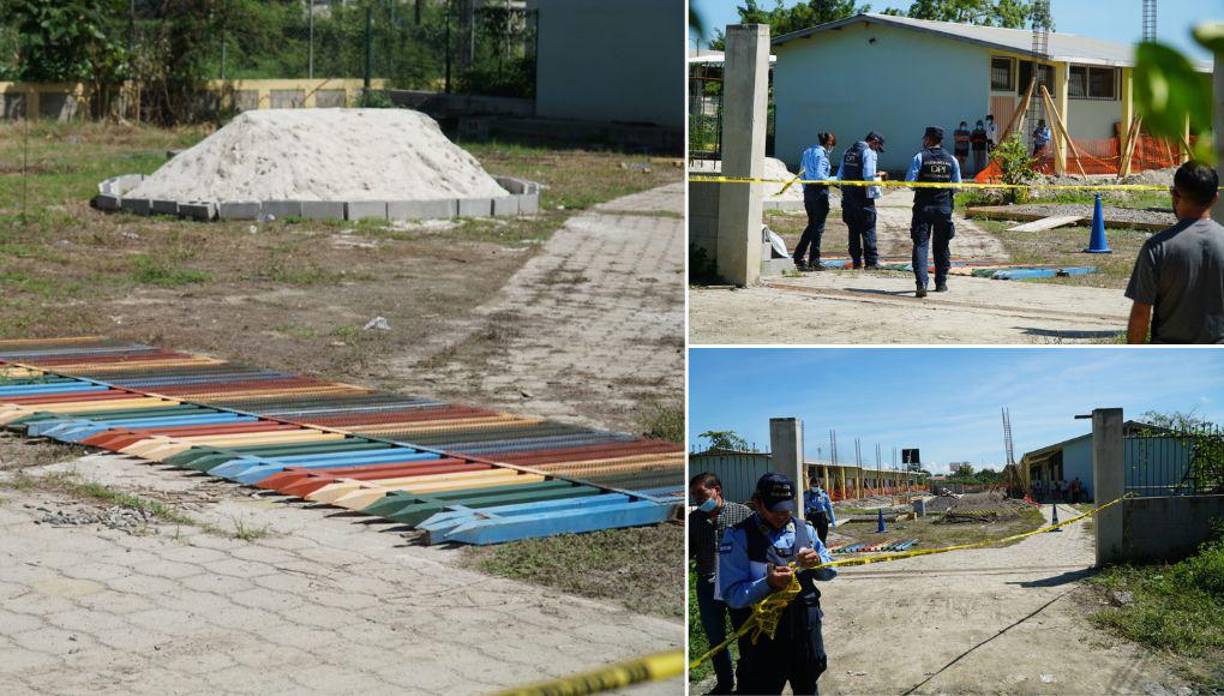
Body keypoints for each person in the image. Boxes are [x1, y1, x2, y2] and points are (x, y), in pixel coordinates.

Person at [720, 473, 836, 695]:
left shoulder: (806, 531)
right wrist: (768, 584)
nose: (783, 515)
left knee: (808, 687)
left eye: (786, 509)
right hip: (763, 641)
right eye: (775, 510)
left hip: (805, 634)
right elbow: (732, 595)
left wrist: (818, 562)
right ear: (757, 503)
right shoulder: (738, 536)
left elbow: (832, 571)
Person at [1125, 161, 1224, 344]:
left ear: (1175, 196)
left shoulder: (1157, 247)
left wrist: (1133, 354)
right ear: (1215, 198)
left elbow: (1141, 313)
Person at [689, 472, 752, 695]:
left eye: (701, 493)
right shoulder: (695, 520)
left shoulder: (743, 514)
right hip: (707, 585)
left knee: (744, 634)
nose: (697, 499)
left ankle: (747, 683)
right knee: (715, 637)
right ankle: (725, 683)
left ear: (717, 490)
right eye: (693, 496)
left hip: (737, 583)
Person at [905, 126, 962, 298]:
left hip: (923, 208)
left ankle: (921, 283)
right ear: (941, 140)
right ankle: (941, 283)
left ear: (928, 139)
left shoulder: (920, 157)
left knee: (921, 245)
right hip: (944, 209)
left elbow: (909, 183)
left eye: (925, 138)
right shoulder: (952, 159)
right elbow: (958, 187)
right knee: (942, 245)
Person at [836, 131, 886, 269]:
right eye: (877, 146)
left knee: (853, 230)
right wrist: (877, 191)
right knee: (868, 229)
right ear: (874, 142)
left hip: (848, 197)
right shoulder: (868, 152)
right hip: (863, 199)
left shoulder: (847, 152)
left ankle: (856, 261)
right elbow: (869, 177)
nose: (876, 149)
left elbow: (840, 176)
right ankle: (871, 263)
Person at [794, 132, 837, 271]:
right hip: (819, 192)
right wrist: (835, 180)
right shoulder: (822, 155)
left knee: (811, 225)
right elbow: (820, 176)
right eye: (832, 145)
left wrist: (806, 189)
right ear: (829, 143)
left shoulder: (807, 152)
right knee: (818, 227)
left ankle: (798, 255)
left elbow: (801, 172)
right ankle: (814, 259)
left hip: (809, 192)